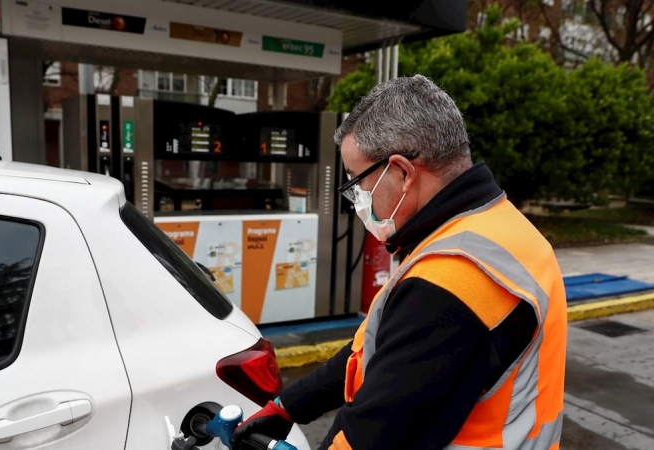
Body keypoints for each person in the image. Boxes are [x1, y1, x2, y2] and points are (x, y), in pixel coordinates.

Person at [231, 75, 567, 450]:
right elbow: (374, 350)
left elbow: (372, 434)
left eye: (357, 183)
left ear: (403, 173)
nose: (357, 199)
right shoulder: (501, 227)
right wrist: (289, 407)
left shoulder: (450, 284)